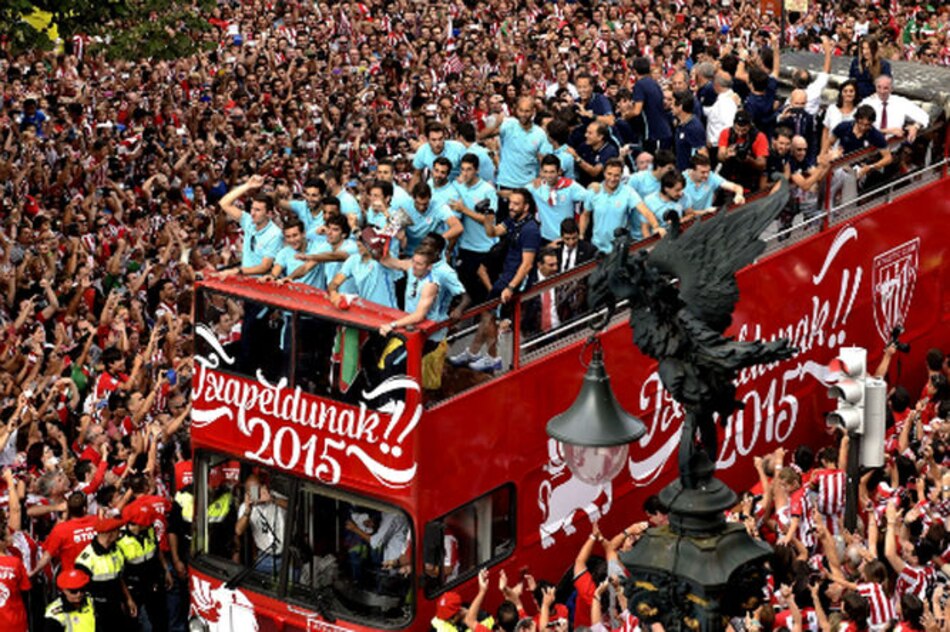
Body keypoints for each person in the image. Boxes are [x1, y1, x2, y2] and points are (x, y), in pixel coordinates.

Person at [450, 189, 540, 373]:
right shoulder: (513, 220)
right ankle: (473, 352)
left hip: (516, 279)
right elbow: (492, 233)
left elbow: (527, 264)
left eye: (516, 204)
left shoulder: (530, 229)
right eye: (511, 203)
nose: (511, 207)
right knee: (486, 313)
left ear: (526, 206)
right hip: (506, 274)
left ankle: (492, 358)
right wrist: (487, 218)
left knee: (490, 314)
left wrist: (511, 287)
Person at [580, 158, 662, 254]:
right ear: (604, 173)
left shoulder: (628, 192)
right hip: (597, 248)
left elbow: (644, 210)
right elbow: (585, 215)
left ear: (621, 175)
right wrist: (581, 235)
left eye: (616, 175)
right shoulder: (594, 191)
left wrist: (656, 226)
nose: (612, 178)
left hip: (620, 248)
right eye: (609, 174)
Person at [73, 516, 138, 628]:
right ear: (111, 534)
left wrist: (129, 599)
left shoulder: (116, 550)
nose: (120, 533)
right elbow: (80, 593)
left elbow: (119, 578)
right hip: (98, 612)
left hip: (116, 607)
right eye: (118, 530)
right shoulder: (86, 560)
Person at [118, 503, 170, 632]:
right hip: (133, 585)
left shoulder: (149, 529)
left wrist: (166, 570)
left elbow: (157, 550)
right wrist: (128, 599)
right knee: (133, 622)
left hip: (153, 579)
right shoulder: (119, 540)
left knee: (160, 618)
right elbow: (119, 575)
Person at [218, 175, 283, 277]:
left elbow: (264, 267)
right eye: (252, 208)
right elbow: (224, 203)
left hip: (261, 284)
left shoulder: (275, 234)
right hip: (245, 278)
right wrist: (248, 185)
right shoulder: (248, 220)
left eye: (258, 210)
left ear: (269, 214)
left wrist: (238, 271)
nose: (252, 213)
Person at [327, 227, 401, 310]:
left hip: (388, 312)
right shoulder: (353, 260)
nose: (358, 243)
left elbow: (385, 256)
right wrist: (333, 293)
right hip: (367, 311)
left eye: (363, 240)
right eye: (358, 240)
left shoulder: (383, 259)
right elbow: (334, 283)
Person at [526, 155, 589, 243]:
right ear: (541, 172)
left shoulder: (570, 186)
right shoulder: (536, 187)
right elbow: (517, 194)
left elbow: (591, 198)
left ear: (559, 172)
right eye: (545, 172)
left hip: (566, 239)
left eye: (552, 172)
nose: (549, 176)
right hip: (545, 238)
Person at [235, 473, 287, 577]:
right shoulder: (245, 508)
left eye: (258, 489)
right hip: (264, 557)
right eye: (253, 491)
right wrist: (248, 511)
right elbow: (238, 531)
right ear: (247, 493)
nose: (257, 494)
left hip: (286, 557)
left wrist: (272, 499)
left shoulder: (275, 496)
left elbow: (293, 506)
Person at [860, 75, 929, 142]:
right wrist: (888, 131)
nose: (882, 91)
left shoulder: (900, 102)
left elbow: (924, 116)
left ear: (891, 89)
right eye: (879, 87)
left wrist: (915, 127)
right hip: (869, 150)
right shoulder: (866, 103)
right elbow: (857, 127)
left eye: (885, 88)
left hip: (893, 149)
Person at [717, 110, 769, 193]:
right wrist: (727, 154)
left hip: (748, 177)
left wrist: (749, 159)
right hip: (728, 175)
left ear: (749, 126)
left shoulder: (759, 137)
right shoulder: (726, 133)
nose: (740, 133)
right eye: (737, 129)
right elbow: (720, 155)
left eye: (744, 130)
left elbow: (762, 164)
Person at [682, 154, 746, 218]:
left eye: (708, 171)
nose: (706, 175)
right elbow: (688, 213)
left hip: (708, 218)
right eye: (703, 172)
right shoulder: (681, 181)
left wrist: (739, 195)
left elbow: (736, 187)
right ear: (693, 170)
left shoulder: (711, 176)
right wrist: (705, 212)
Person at [630, 57, 673, 152]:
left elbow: (637, 111)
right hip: (664, 129)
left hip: (655, 133)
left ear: (634, 71)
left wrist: (626, 115)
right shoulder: (654, 83)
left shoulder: (639, 85)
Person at [0, 504, 31, 632]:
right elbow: (25, 589)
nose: (11, 537)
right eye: (8, 536)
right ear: (2, 542)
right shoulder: (15, 562)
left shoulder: (15, 558)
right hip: (15, 623)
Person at [821, 80, 859, 156]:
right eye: (845, 91)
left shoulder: (858, 111)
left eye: (851, 91)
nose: (848, 94)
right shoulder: (832, 109)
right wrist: (823, 151)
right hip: (831, 152)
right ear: (841, 93)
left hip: (850, 154)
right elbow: (825, 131)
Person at [672, 90, 708, 172]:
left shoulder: (694, 128)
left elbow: (702, 153)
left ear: (680, 107)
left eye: (673, 104)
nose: (671, 107)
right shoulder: (681, 123)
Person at [850, 36, 892, 101]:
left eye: (868, 49)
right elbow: (851, 80)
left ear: (874, 49)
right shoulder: (856, 62)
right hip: (857, 98)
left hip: (874, 99)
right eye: (863, 48)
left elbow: (886, 84)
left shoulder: (884, 65)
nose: (865, 52)